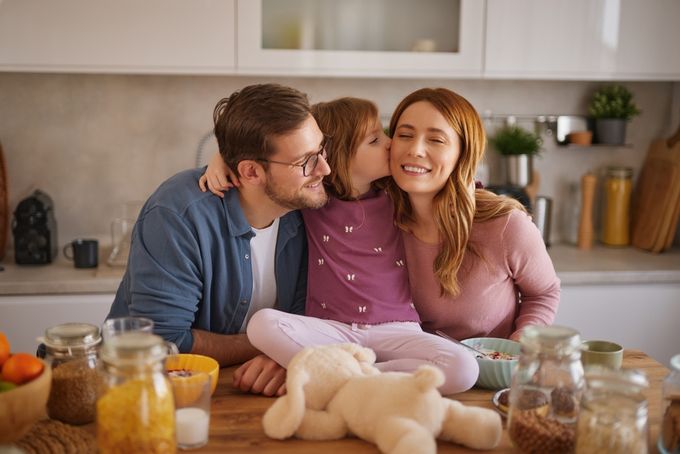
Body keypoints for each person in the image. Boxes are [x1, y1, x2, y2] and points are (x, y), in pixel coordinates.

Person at [200, 97, 479, 395]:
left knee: (464, 368)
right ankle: (351, 377)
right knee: (261, 325)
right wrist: (222, 157)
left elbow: (456, 181)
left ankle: (339, 378)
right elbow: (272, 146)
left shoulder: (401, 194)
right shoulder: (312, 198)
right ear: (337, 155)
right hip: (329, 331)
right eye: (374, 139)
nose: (389, 144)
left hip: (397, 327)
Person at [108, 83, 331, 396]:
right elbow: (165, 342)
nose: (325, 168)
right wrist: (273, 346)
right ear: (251, 172)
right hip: (153, 393)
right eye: (306, 161)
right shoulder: (177, 215)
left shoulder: (307, 204)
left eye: (322, 149)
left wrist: (287, 351)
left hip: (260, 386)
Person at [386, 87, 560, 342]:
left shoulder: (505, 226)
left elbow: (544, 292)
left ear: (463, 155)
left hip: (490, 377)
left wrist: (523, 340)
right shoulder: (378, 220)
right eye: (404, 135)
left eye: (435, 140)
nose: (415, 149)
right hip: (414, 374)